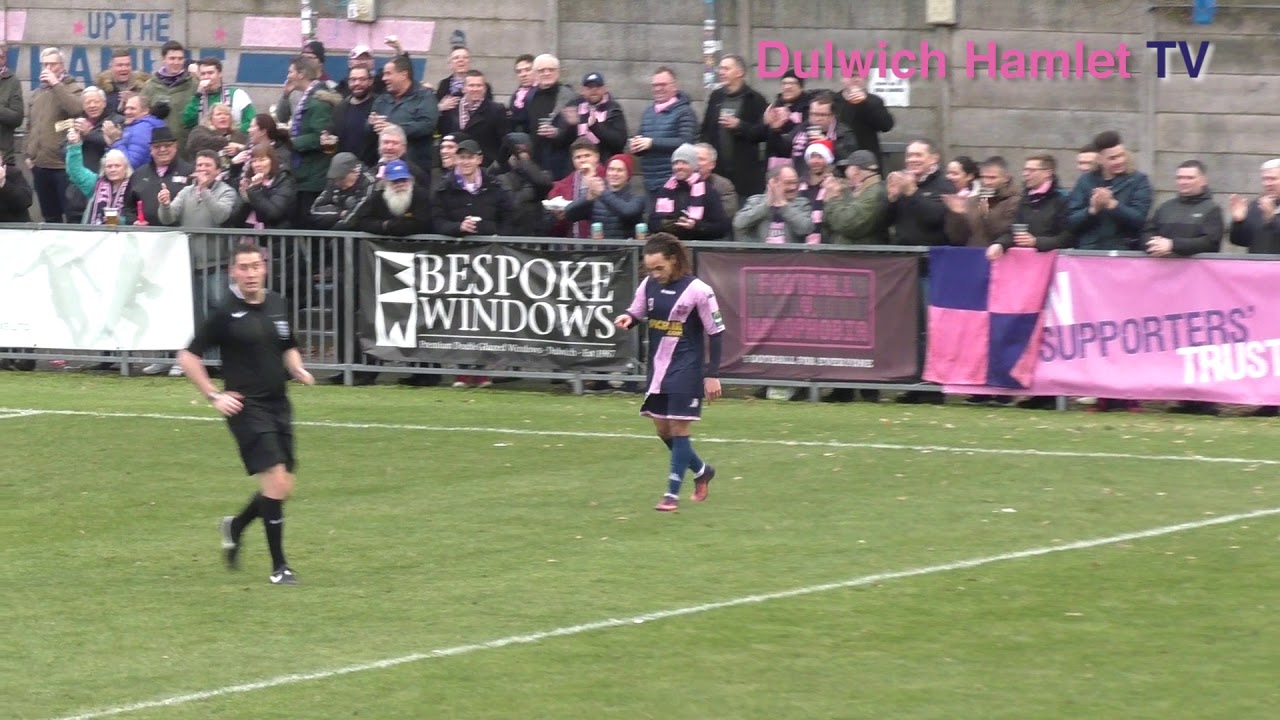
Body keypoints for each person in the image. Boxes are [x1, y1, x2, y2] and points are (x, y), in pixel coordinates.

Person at [177, 243, 315, 586]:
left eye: (256, 266)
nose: (251, 273)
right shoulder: (225, 313)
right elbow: (188, 357)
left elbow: (287, 345)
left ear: (264, 268)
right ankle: (279, 567)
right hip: (245, 408)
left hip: (279, 404)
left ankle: (235, 526)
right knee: (276, 480)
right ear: (233, 272)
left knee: (283, 486)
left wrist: (297, 368)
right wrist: (214, 395)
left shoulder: (278, 304)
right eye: (244, 267)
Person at [614, 233, 724, 512]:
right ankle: (701, 471)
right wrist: (629, 319)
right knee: (663, 429)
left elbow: (716, 333)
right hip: (658, 369)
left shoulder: (699, 290)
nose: (654, 274)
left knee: (679, 426)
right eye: (650, 269)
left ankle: (671, 495)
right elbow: (637, 311)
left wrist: (711, 374)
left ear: (674, 260)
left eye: (659, 267)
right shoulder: (648, 285)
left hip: (687, 368)